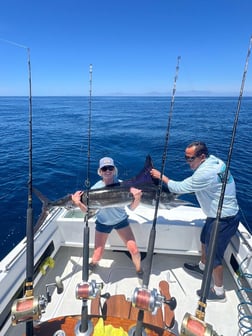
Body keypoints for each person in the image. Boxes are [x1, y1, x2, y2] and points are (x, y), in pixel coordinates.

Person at [150, 141, 240, 302]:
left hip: (224, 220)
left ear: (202, 157)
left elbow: (178, 188)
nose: (187, 161)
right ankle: (202, 267)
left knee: (215, 257)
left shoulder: (204, 173)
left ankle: (219, 292)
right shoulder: (216, 161)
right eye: (186, 157)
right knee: (203, 239)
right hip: (215, 216)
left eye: (190, 158)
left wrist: (161, 177)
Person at [71, 156, 143, 277]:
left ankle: (139, 269)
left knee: (134, 250)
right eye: (104, 169)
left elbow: (131, 208)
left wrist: (137, 198)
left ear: (114, 170)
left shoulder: (124, 186)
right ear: (100, 172)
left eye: (110, 168)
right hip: (103, 224)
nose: (108, 171)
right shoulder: (94, 189)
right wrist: (78, 203)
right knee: (97, 255)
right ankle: (93, 263)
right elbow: (87, 211)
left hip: (121, 221)